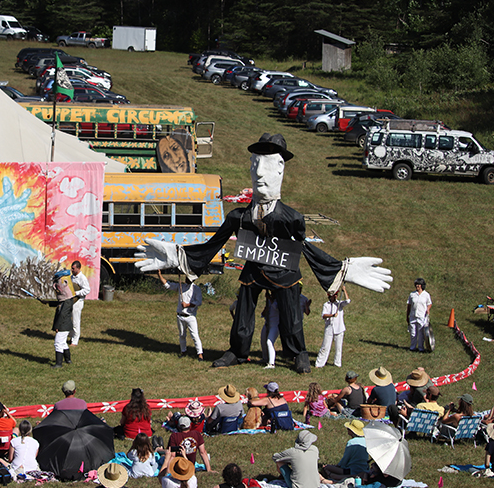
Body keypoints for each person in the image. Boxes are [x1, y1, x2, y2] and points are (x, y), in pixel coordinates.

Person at [136, 133, 392, 374]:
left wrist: (340, 269)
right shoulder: (240, 216)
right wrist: (178, 256)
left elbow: (306, 247)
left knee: (291, 316)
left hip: (285, 271)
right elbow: (214, 243)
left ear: (280, 169)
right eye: (254, 165)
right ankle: (238, 350)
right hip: (254, 269)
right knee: (244, 313)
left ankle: (297, 352)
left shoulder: (291, 218)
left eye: (267, 166)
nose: (259, 173)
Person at [156, 270, 204, 361]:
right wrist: (159, 275)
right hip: (180, 315)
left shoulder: (196, 289)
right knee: (182, 335)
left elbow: (198, 302)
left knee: (195, 335)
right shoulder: (181, 286)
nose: (186, 279)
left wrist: (188, 305)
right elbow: (168, 285)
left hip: (190, 316)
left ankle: (200, 354)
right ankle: (183, 351)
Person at [261, 290, 311, 369]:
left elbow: (277, 308)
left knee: (269, 342)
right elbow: (264, 313)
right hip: (268, 323)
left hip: (275, 325)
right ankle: (265, 358)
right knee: (263, 342)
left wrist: (270, 299)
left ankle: (271, 363)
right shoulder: (270, 302)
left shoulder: (278, 302)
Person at [41, 270, 77, 368]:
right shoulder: (67, 300)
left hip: (63, 325)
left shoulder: (67, 302)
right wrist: (48, 303)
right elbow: (59, 304)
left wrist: (57, 327)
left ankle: (58, 364)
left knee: (58, 343)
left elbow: (62, 314)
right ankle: (68, 360)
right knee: (63, 343)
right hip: (65, 325)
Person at [316, 284, 350, 368]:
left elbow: (348, 301)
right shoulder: (326, 305)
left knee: (338, 347)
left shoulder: (339, 304)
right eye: (334, 295)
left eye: (336, 295)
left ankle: (337, 363)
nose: (335, 296)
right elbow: (324, 315)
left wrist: (344, 290)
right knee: (325, 347)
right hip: (329, 328)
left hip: (339, 328)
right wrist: (332, 315)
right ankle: (319, 363)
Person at [406, 278, 432, 352]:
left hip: (421, 316)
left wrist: (428, 309)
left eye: (418, 284)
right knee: (413, 333)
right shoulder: (412, 294)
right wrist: (407, 316)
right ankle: (412, 347)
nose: (417, 286)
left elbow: (429, 303)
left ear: (422, 285)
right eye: (416, 284)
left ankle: (421, 348)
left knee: (421, 333)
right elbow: (409, 305)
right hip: (413, 316)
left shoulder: (426, 295)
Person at [69, 260, 90, 346]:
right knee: (70, 320)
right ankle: (71, 337)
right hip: (71, 301)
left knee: (75, 321)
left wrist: (76, 293)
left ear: (78, 268)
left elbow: (87, 290)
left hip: (78, 301)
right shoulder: (71, 277)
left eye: (73, 268)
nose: (72, 270)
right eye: (71, 268)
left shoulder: (82, 278)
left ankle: (75, 340)